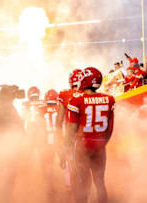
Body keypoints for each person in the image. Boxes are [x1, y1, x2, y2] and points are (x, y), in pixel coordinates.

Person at [63, 67, 115, 203]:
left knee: (83, 184)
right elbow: (110, 129)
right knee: (100, 183)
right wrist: (102, 143)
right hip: (99, 145)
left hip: (82, 146)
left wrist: (64, 148)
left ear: (86, 80)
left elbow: (72, 129)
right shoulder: (108, 99)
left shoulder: (76, 101)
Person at [56, 69, 83, 193]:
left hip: (72, 137)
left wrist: (58, 136)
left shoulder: (64, 94)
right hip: (90, 136)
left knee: (74, 170)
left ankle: (78, 195)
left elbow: (59, 119)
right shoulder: (91, 94)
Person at [38, 89, 60, 198]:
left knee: (49, 164)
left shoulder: (41, 109)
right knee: (66, 164)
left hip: (48, 139)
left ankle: (51, 187)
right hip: (59, 138)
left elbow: (39, 126)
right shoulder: (61, 107)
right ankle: (68, 185)